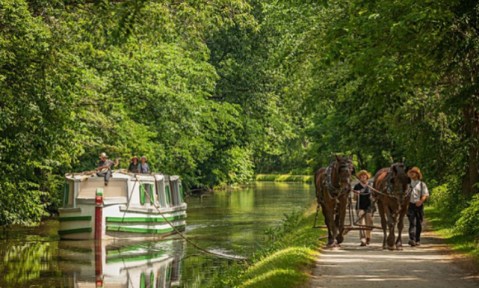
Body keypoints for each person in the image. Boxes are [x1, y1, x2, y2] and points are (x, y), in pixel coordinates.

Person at [407, 166, 429, 247]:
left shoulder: (422, 184)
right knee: (412, 222)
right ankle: (411, 239)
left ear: (417, 174)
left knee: (419, 223)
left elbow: (425, 194)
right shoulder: (408, 184)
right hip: (410, 205)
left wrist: (421, 201)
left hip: (419, 205)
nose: (412, 174)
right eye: (411, 172)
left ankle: (417, 239)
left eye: (414, 172)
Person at [353, 170, 374, 246]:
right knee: (361, 224)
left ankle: (368, 237)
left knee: (369, 223)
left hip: (369, 207)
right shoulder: (357, 186)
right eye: (361, 176)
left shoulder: (370, 185)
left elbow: (374, 197)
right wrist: (356, 194)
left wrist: (372, 196)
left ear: (367, 177)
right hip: (360, 207)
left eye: (364, 176)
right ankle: (363, 239)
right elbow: (354, 199)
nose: (363, 177)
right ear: (359, 177)